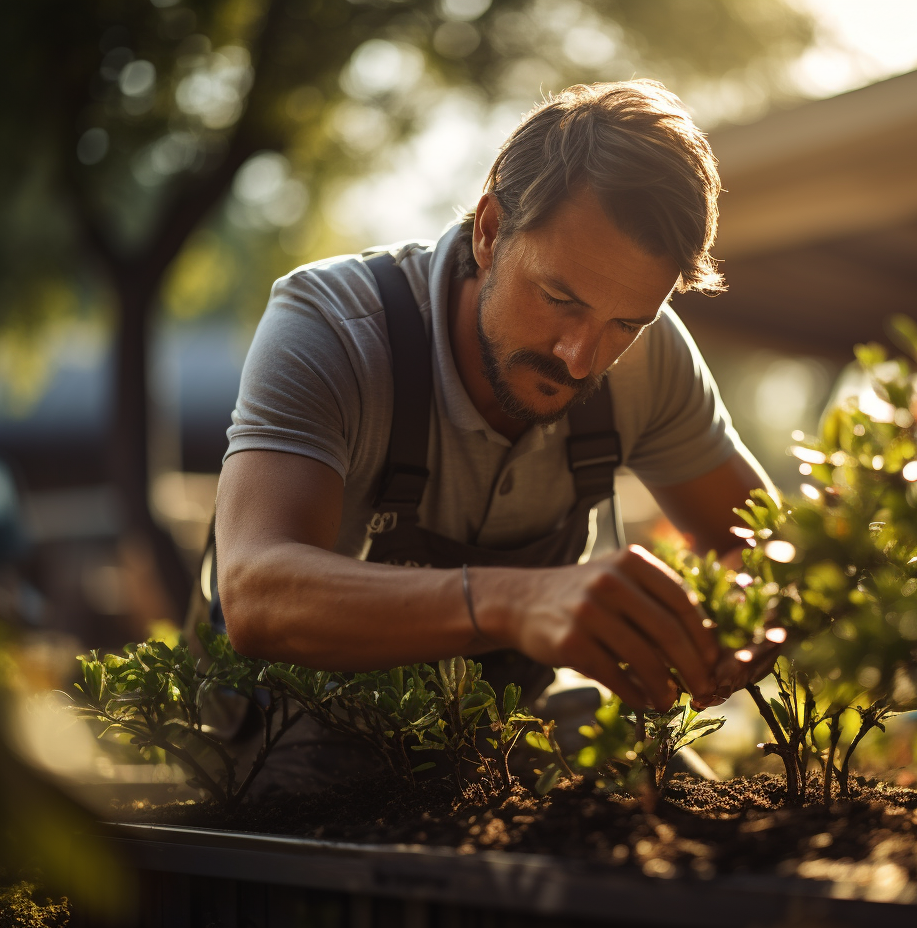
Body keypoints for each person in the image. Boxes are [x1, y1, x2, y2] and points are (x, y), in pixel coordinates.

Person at [213, 80, 777, 733]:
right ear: (489, 231)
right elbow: (256, 593)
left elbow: (763, 547)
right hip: (286, 754)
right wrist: (511, 601)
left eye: (625, 323)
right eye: (559, 299)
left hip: (507, 738)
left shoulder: (651, 359)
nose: (580, 357)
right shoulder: (335, 327)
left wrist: (729, 626)